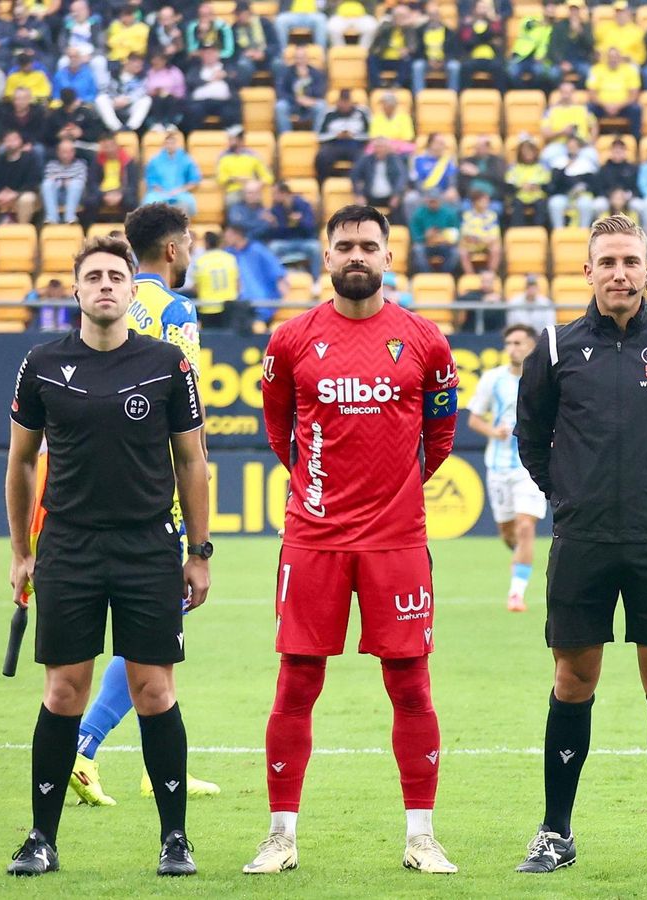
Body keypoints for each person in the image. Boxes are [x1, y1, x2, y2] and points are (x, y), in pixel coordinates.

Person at [246, 205, 459, 876]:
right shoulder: (290, 341)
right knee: (297, 682)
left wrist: (393, 491)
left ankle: (421, 836)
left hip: (398, 543)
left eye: (369, 244)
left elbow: (441, 436)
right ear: (327, 257)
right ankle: (281, 836)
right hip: (313, 539)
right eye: (345, 246)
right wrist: (320, 493)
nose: (357, 254)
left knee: (411, 686)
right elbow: (281, 432)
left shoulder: (425, 342)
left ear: (389, 257)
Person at [513, 214, 647, 875]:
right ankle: (556, 833)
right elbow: (529, 437)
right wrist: (569, 496)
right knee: (573, 681)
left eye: (630, 261)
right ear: (588, 271)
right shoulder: (554, 349)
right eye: (607, 262)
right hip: (583, 540)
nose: (619, 273)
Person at [3, 235, 210, 876]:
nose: (105, 286)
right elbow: (19, 464)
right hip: (68, 546)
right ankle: (41, 838)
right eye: (92, 276)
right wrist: (22, 552)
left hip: (148, 545)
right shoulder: (40, 364)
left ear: (130, 287)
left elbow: (192, 462)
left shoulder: (168, 363)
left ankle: (174, 840)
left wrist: (199, 552)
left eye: (115, 276)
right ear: (76, 289)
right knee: (64, 691)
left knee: (154, 690)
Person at [61, 203, 221, 808]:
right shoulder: (176, 312)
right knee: (154, 627)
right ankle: (86, 743)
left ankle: (157, 764)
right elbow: (187, 405)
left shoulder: (119, 306)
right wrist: (196, 477)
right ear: (174, 249)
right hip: (156, 490)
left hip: (101, 481)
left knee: (154, 632)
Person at [467, 324, 548, 612]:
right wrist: (493, 432)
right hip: (499, 466)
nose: (513, 348)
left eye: (519, 343)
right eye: (509, 343)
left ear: (531, 346)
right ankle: (520, 559)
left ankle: (516, 593)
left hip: (532, 468)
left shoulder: (544, 378)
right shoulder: (493, 379)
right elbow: (474, 418)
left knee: (526, 527)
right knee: (509, 532)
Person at [192, 230, 239, 330]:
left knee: (211, 340)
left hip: (208, 307)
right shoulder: (230, 258)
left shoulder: (201, 261)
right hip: (229, 306)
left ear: (207, 243)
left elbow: (196, 287)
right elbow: (238, 284)